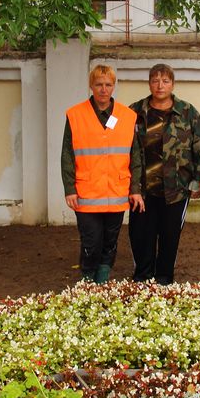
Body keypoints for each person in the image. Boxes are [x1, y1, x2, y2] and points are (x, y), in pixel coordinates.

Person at [128, 63, 200, 285]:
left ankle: (164, 280)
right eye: (155, 81)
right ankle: (142, 280)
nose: (160, 85)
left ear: (173, 84)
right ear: (149, 84)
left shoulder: (188, 112)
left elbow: (199, 147)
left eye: (165, 81)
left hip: (177, 188)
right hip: (142, 189)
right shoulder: (134, 112)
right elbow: (123, 149)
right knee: (141, 236)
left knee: (169, 236)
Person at [61, 65, 144, 283]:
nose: (103, 89)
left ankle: (102, 282)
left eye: (108, 84)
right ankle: (88, 282)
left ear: (114, 86)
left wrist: (135, 189)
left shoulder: (128, 116)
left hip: (117, 192)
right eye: (99, 84)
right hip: (86, 193)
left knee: (110, 242)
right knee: (91, 242)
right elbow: (67, 154)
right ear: (91, 85)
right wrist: (69, 188)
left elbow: (135, 156)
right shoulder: (76, 115)